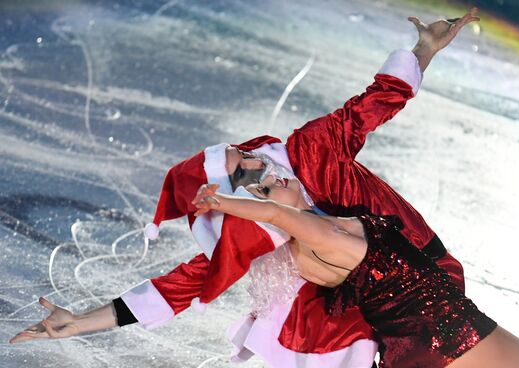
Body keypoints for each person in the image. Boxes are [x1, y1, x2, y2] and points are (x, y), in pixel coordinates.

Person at [10, 8, 482, 367]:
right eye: (249, 180)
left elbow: (370, 105)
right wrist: (80, 323)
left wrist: (425, 50)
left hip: (426, 270)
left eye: (246, 157)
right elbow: (175, 288)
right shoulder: (267, 238)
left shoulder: (310, 153)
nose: (262, 171)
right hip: (387, 317)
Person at [185, 180, 519, 368]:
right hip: (448, 333)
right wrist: (221, 203)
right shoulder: (321, 238)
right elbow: (275, 214)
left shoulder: (325, 226)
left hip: (428, 340)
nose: (272, 180)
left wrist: (423, 52)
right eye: (264, 191)